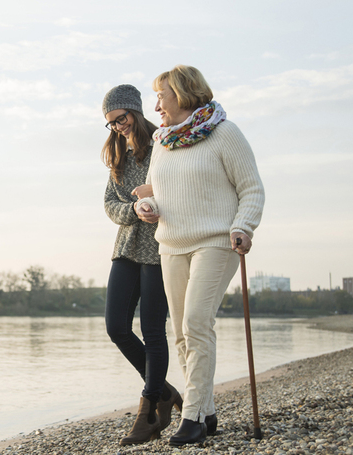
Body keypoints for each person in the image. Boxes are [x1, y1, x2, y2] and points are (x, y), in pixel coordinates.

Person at [135, 65, 265, 446]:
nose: (155, 105)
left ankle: (190, 419)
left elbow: (252, 189)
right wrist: (149, 205)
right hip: (171, 244)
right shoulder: (163, 141)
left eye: (161, 95)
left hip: (216, 241)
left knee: (195, 322)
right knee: (179, 333)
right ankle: (206, 411)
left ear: (184, 94)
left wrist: (244, 226)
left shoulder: (224, 132)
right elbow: (161, 191)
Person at [101, 84, 182, 446]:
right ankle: (163, 391)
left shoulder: (163, 144)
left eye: (122, 118)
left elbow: (180, 187)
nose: (119, 127)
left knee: (152, 330)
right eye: (112, 123)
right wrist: (132, 209)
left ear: (135, 111)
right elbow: (108, 204)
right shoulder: (117, 153)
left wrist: (154, 199)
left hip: (161, 247)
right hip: (127, 246)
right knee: (116, 326)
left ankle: (149, 408)